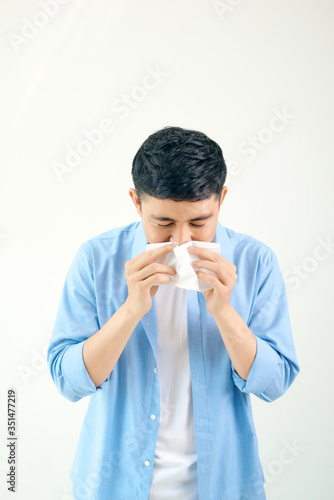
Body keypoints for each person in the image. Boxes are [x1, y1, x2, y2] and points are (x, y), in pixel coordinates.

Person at [47, 126, 300, 500]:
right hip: (113, 486)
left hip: (223, 486)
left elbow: (275, 383)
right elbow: (68, 381)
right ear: (136, 202)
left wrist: (224, 311)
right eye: (163, 223)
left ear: (221, 199)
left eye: (199, 222)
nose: (181, 240)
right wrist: (131, 309)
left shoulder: (255, 261)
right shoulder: (96, 259)